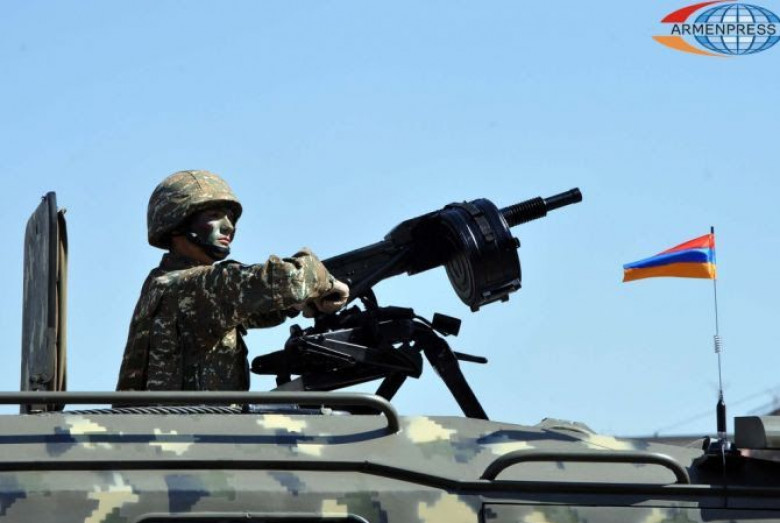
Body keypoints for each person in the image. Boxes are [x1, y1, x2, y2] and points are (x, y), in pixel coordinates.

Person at [116, 170, 349, 391]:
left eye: (230, 217)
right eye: (214, 215)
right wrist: (323, 278)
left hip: (179, 418)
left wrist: (297, 303)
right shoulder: (198, 285)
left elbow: (255, 309)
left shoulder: (163, 284)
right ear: (177, 222)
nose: (229, 226)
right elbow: (286, 279)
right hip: (199, 419)